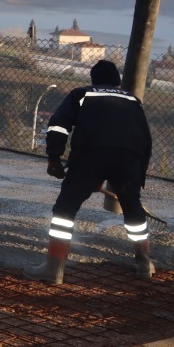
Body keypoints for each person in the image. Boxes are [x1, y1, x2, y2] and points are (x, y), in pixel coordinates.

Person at [28, 60, 153, 286]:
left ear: (93, 80)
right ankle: (144, 264)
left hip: (90, 155)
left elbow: (58, 124)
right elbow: (145, 139)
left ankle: (53, 269)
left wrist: (54, 158)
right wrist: (137, 176)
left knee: (65, 209)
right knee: (132, 207)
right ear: (117, 81)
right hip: (129, 158)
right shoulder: (133, 99)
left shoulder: (82, 94)